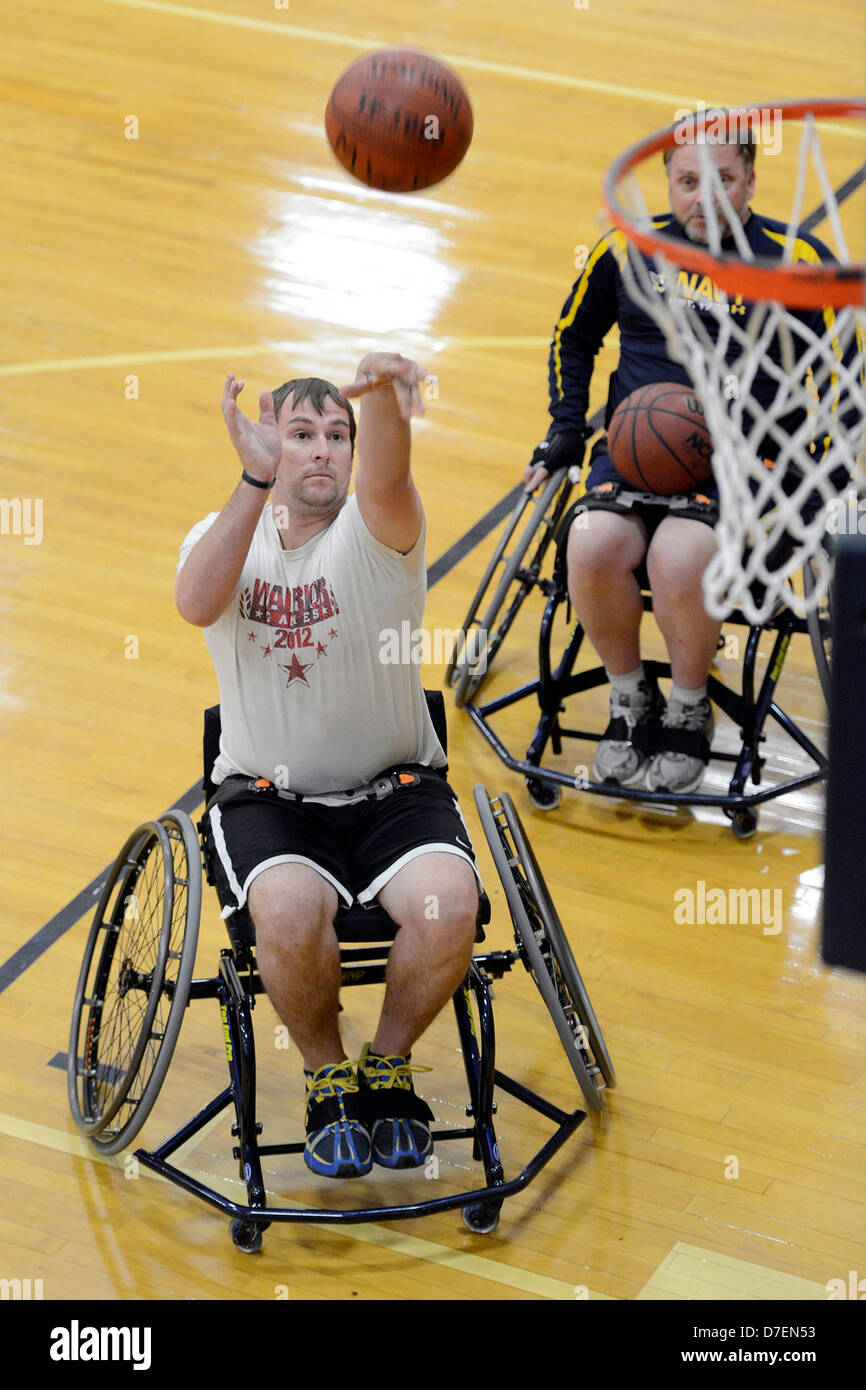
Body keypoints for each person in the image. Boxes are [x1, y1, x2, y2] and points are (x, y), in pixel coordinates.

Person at [175, 352, 481, 1180]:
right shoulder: (222, 535)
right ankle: (325, 1076)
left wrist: (380, 398)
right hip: (271, 801)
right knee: (283, 914)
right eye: (299, 434)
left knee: (449, 908)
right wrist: (252, 480)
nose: (320, 450)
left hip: (396, 794)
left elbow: (388, 473)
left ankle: (385, 1063)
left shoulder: (379, 534)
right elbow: (196, 604)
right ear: (268, 441)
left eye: (335, 436)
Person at [524, 122, 848, 799]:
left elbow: (847, 372)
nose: (705, 198)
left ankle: (690, 705)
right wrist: (564, 428)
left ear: (752, 182)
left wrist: (826, 474)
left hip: (746, 464)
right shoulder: (628, 250)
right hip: (636, 451)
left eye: (723, 179)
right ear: (669, 184)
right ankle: (628, 699)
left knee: (678, 555)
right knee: (590, 543)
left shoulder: (794, 259)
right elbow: (571, 337)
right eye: (688, 181)